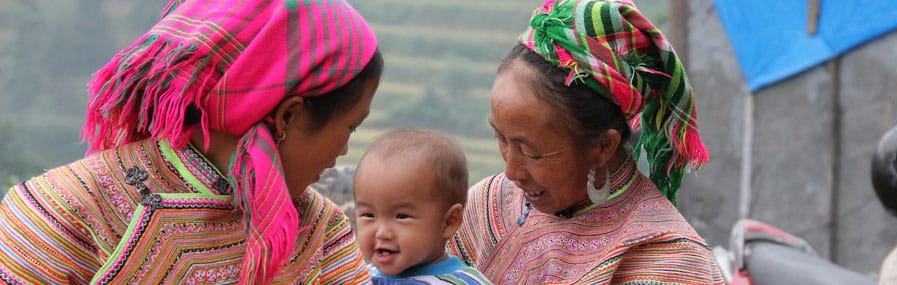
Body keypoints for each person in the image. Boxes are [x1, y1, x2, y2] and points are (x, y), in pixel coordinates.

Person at [0, 0, 382, 284]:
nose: (344, 153)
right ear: (288, 116)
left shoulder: (321, 230)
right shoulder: (66, 213)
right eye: (349, 127)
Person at [447, 0, 726, 283]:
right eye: (502, 139)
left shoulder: (669, 265)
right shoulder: (487, 208)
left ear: (603, 146)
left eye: (531, 152)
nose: (511, 172)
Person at [353, 130, 492, 284]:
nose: (382, 233)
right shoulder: (359, 279)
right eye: (368, 215)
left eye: (401, 216)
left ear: (449, 222)